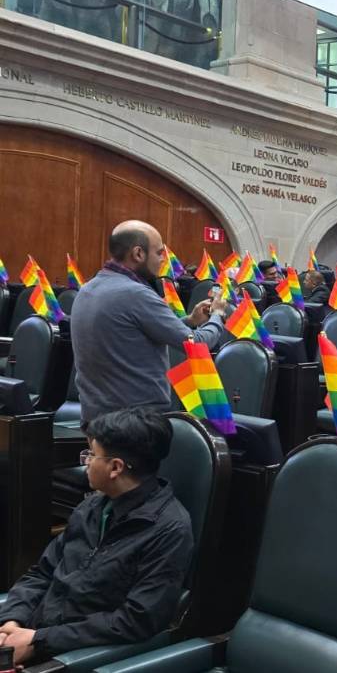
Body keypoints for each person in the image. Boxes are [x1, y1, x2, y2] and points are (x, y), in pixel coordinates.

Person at [0, 408, 193, 664]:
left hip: (71, 653)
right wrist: (12, 621)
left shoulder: (169, 530)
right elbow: (43, 572)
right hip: (30, 630)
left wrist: (39, 640)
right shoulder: (93, 506)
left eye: (91, 454)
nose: (86, 461)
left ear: (115, 467)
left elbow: (135, 620)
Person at [71, 220, 227, 424]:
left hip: (96, 417)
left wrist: (189, 320)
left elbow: (133, 332)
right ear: (138, 254)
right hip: (135, 422)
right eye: (159, 252)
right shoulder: (136, 294)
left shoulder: (88, 289)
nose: (164, 259)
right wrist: (217, 315)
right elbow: (198, 344)